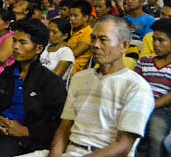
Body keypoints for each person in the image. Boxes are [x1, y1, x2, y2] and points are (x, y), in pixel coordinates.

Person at [18, 16, 154, 157]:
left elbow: (123, 146)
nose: (95, 45)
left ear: (124, 45)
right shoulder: (80, 78)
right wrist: (54, 155)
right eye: (93, 38)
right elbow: (65, 127)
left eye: (103, 39)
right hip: (69, 151)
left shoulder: (137, 87)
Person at [0, 19, 67, 157]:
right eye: (14, 41)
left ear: (38, 49)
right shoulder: (7, 74)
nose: (15, 46)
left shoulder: (50, 82)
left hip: (26, 140)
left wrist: (25, 131)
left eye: (22, 42)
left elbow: (55, 125)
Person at [135, 18, 171, 157]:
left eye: (161, 40)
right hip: (138, 105)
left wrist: (149, 106)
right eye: (154, 39)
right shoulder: (144, 61)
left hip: (162, 110)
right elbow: (134, 85)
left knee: (156, 136)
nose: (155, 44)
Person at [66, 0, 92, 76]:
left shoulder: (89, 32)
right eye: (71, 15)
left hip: (73, 71)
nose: (72, 18)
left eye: (75, 16)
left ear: (85, 17)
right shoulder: (69, 28)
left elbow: (75, 52)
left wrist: (60, 43)